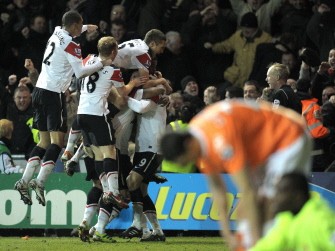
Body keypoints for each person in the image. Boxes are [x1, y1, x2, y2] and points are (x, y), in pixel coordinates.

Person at [160, 99, 312, 249]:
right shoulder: (198, 138)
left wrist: (257, 242)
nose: (188, 164)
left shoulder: (221, 141)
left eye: (184, 161)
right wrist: (226, 234)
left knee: (271, 203)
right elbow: (218, 191)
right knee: (245, 213)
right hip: (265, 149)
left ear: (188, 145)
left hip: (288, 137)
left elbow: (248, 191)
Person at [14, 10, 113, 207]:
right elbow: (80, 72)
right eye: (81, 24)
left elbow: (71, 28)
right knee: (57, 143)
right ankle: (40, 182)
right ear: (75, 25)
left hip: (39, 91)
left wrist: (86, 27)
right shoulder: (72, 44)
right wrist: (102, 62)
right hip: (53, 94)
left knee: (43, 142)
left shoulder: (57, 31)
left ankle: (24, 181)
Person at [251, 172, 335, 251]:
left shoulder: (321, 220)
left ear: (297, 197)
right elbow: (268, 246)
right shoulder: (287, 218)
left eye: (280, 192)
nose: (274, 197)